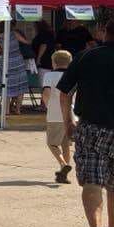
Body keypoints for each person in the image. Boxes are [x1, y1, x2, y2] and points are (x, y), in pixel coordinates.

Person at [57, 18, 114, 227]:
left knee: (92, 182)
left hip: (91, 127)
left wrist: (68, 122)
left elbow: (64, 92)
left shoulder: (86, 56)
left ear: (104, 33)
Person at [42, 50, 73, 183]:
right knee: (66, 144)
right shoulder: (73, 76)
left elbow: (46, 93)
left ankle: (62, 164)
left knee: (52, 143)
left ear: (54, 63)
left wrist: (48, 105)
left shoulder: (49, 75)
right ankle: (63, 175)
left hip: (55, 114)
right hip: (71, 115)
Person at [3, 21, 29, 115]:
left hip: (6, 63)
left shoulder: (1, 36)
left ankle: (6, 110)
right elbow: (26, 42)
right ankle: (18, 109)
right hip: (18, 62)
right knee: (20, 86)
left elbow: (2, 49)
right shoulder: (14, 33)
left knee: (6, 86)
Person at [31, 19, 56, 84]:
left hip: (43, 62)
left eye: (35, 26)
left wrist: (38, 59)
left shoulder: (43, 34)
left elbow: (43, 45)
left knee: (44, 84)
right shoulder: (50, 34)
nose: (34, 27)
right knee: (48, 83)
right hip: (49, 61)